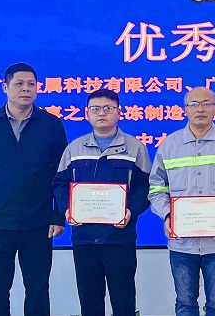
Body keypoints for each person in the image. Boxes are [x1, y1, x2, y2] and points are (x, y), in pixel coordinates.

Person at [0, 62, 68, 316]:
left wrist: (58, 215)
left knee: (38, 289)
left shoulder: (51, 125)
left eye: (31, 84)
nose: (26, 89)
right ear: (5, 87)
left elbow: (62, 175)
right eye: (19, 84)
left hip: (39, 223)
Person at [148, 86, 215, 316]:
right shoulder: (170, 145)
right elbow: (156, 189)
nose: (200, 109)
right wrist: (168, 215)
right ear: (185, 109)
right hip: (181, 242)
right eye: (194, 104)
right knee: (185, 304)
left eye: (207, 103)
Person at [53, 88, 151, 316]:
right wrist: (67, 209)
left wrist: (131, 210)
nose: (102, 113)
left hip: (119, 238)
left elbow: (145, 188)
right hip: (84, 238)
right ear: (87, 113)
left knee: (123, 303)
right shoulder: (74, 148)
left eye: (108, 108)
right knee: (90, 303)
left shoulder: (135, 147)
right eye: (95, 109)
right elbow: (59, 184)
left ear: (119, 112)